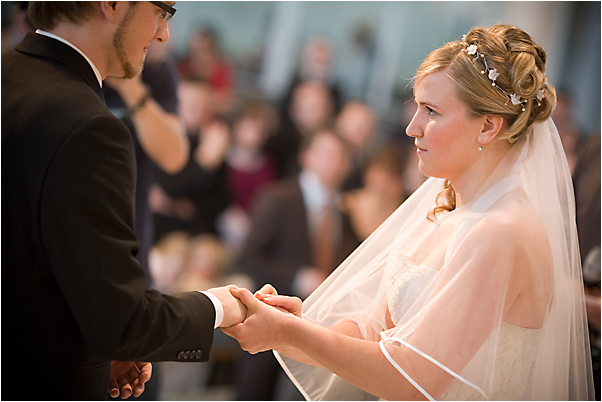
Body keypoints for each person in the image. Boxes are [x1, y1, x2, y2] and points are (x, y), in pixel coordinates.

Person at [224, 25, 595, 400]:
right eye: (416, 108)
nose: (411, 127)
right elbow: (374, 333)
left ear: (487, 126)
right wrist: (292, 326)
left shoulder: (502, 231)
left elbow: (417, 377)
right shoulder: (449, 213)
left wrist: (291, 333)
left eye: (431, 112)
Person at [1, 2, 247, 400]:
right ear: (112, 4)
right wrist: (222, 305)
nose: (163, 33)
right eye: (162, 11)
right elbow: (122, 324)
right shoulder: (91, 127)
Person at [233, 128, 361, 400]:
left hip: (315, 323)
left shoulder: (343, 211)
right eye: (326, 153)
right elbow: (248, 256)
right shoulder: (278, 197)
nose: (333, 162)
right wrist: (297, 277)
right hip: (270, 313)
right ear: (307, 157)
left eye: (340, 156)